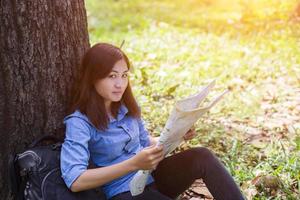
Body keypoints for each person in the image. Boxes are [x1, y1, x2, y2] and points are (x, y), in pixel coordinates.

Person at [60, 43, 245, 200]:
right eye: (112, 76)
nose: (120, 84)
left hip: (152, 176)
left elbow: (146, 143)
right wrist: (133, 163)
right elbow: (75, 180)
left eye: (124, 75)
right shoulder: (79, 122)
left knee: (202, 156)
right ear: (93, 77)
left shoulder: (128, 107)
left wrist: (179, 134)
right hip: (125, 193)